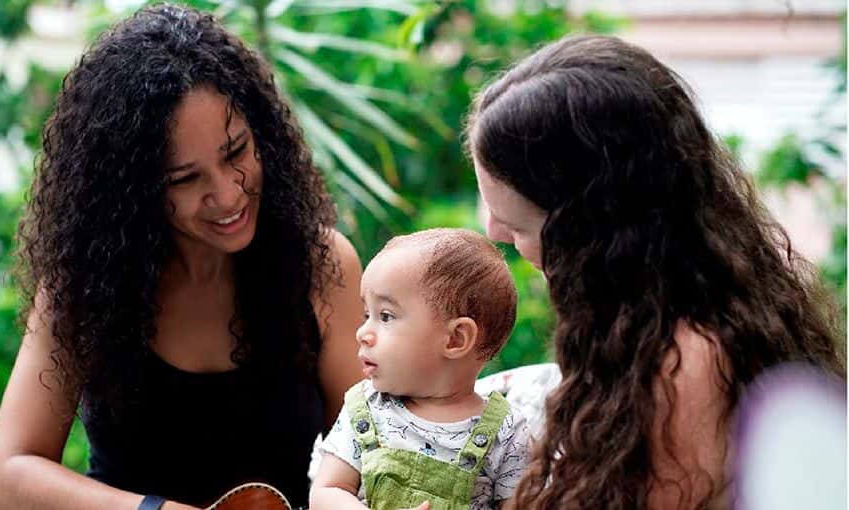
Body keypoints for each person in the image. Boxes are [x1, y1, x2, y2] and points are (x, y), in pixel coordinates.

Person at [0, 4, 363, 510]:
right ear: (133, 189)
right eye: (185, 179)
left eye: (236, 152)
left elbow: (369, 456)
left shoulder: (321, 266)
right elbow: (5, 479)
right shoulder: (85, 285)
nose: (227, 194)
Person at [465, 34, 845, 509]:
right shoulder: (647, 328)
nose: (494, 232)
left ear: (591, 229)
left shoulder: (684, 363)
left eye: (520, 226)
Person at [310, 228, 530, 510]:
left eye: (385, 316)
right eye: (367, 315)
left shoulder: (507, 434)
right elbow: (326, 492)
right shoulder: (366, 409)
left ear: (455, 339)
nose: (362, 333)